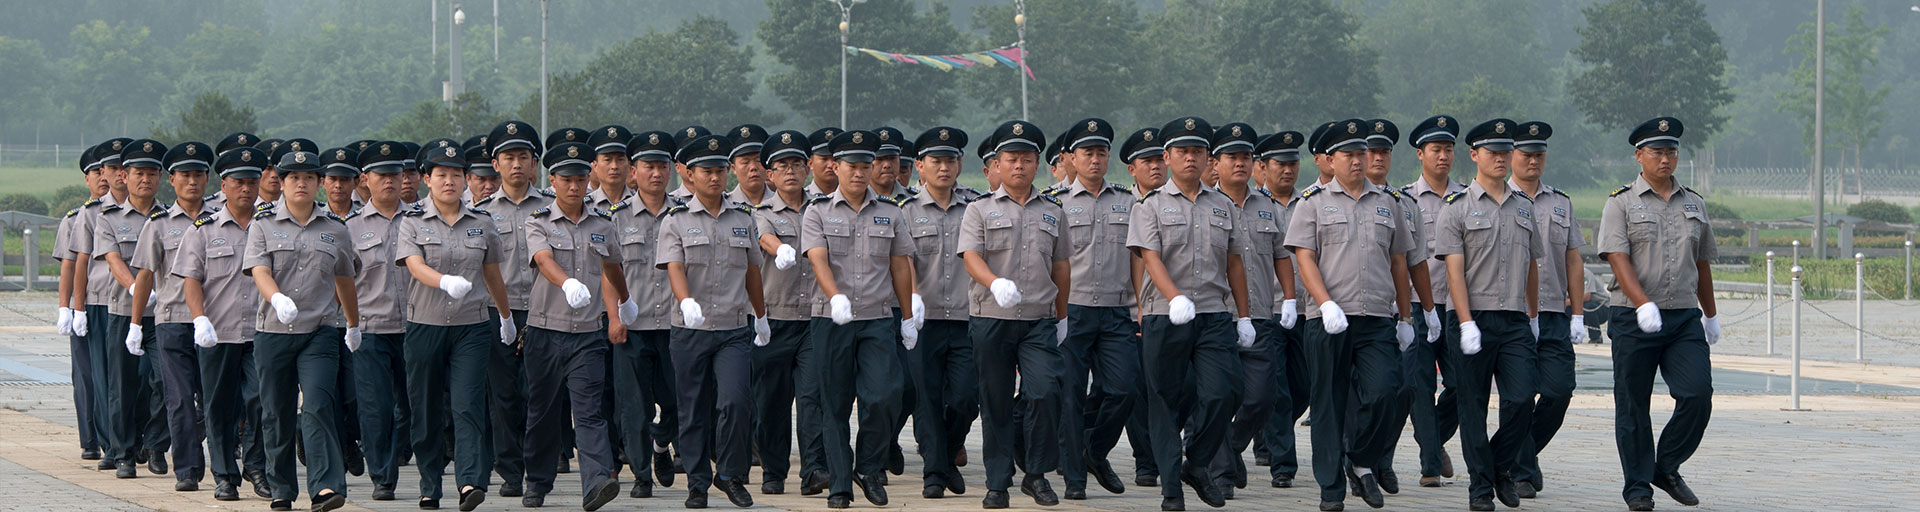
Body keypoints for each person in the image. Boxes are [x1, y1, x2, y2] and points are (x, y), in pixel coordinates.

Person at [1284, 120, 1415, 511]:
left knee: (1387, 393)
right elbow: (1304, 259)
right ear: (1330, 160)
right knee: (1328, 403)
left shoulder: (1388, 202)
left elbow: (1399, 262)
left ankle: (1360, 460)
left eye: (1362, 153)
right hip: (1328, 319)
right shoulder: (1312, 203)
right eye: (1349, 155)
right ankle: (1331, 489)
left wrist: (1406, 317)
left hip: (1376, 318)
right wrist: (1324, 303)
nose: (1358, 161)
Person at [1128, 117, 1256, 511]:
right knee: (1165, 401)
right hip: (1165, 315)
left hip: (1214, 313)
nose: (1190, 158)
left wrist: (1244, 316)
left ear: (1208, 159)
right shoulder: (1149, 206)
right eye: (1182, 151)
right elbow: (1150, 258)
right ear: (1167, 157)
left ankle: (1196, 463)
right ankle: (1171, 489)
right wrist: (1174, 298)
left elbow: (1235, 263)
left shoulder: (1223, 205)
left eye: (1198, 151)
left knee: (1226, 391)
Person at [1599, 117, 1717, 512]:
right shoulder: (1621, 203)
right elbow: (1617, 258)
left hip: (1682, 317)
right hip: (1633, 317)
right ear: (1639, 155)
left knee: (1698, 394)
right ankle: (1638, 487)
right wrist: (1642, 302)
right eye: (1657, 152)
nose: (1665, 159)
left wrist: (1711, 315)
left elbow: (1702, 262)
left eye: (1671, 152)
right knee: (1633, 403)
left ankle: (1664, 466)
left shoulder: (1694, 203)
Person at [956, 121, 1071, 509]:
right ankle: (997, 482)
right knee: (996, 401)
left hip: (1039, 318)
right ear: (997, 165)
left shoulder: (1053, 210)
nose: (1019, 165)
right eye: (1011, 159)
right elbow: (971, 257)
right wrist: (994, 283)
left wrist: (1062, 316)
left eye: (1026, 159)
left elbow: (1061, 266)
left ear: (1037, 164)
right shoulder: (979, 209)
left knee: (1045, 391)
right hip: (991, 316)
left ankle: (1036, 473)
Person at [799, 129, 916, 509]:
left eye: (865, 166)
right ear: (835, 167)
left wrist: (908, 316)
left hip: (877, 318)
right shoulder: (817, 211)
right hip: (832, 319)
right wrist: (835, 297)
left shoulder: (890, 212)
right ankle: (839, 486)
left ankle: (866, 466)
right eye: (851, 166)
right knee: (834, 404)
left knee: (886, 394)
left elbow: (900, 266)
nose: (859, 173)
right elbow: (818, 259)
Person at [396, 144, 516, 510]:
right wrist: (444, 281)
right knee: (426, 409)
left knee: (467, 405)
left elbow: (492, 273)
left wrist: (506, 317)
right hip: (425, 325)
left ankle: (469, 481)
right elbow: (414, 265)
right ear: (427, 179)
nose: (449, 181)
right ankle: (430, 483)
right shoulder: (412, 220)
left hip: (471, 327)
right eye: (441, 175)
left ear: (465, 180)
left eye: (456, 175)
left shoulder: (483, 222)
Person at [1434, 118, 1544, 511]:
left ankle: (1499, 466)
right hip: (1472, 318)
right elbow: (1454, 272)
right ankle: (1480, 487)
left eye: (1505, 151)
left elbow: (1532, 266)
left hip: (1514, 319)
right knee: (1473, 406)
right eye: (1492, 152)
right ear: (1474, 155)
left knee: (1522, 399)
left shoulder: (1525, 207)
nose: (1500, 158)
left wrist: (1533, 316)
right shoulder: (1456, 208)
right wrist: (1465, 322)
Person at [244, 148, 362, 512]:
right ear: (281, 182)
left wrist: (353, 324)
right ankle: (281, 488)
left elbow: (345, 278)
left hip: (319, 331)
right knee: (276, 412)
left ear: (319, 183)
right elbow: (260, 270)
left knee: (318, 405)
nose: (301, 183)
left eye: (309, 177)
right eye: (294, 177)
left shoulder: (335, 229)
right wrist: (277, 298)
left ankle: (326, 487)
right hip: (273, 331)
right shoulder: (262, 225)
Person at [654, 134, 769, 508]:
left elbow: (753, 271)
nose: (716, 177)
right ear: (690, 174)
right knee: (693, 409)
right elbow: (674, 266)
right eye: (707, 171)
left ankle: (730, 474)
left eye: (721, 170)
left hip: (733, 328)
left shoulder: (743, 218)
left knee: (736, 402)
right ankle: (697, 482)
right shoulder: (676, 220)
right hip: (690, 329)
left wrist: (761, 316)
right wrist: (685, 300)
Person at [519, 141, 630, 511]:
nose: (574, 186)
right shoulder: (538, 221)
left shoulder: (603, 224)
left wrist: (624, 302)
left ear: (588, 179)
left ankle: (597, 481)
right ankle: (537, 481)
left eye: (581, 179)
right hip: (544, 331)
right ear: (552, 180)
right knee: (543, 411)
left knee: (589, 411)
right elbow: (543, 259)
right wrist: (566, 283)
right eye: (566, 179)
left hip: (587, 334)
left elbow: (613, 267)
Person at [1204, 122, 1296, 498]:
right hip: (1216, 316)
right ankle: (1221, 474)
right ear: (1216, 163)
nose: (1240, 163)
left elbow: (1281, 255)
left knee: (1262, 397)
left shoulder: (1267, 207)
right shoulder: (1204, 204)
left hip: (1259, 315)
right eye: (1232, 157)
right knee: (1219, 396)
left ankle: (1228, 445)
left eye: (1245, 156)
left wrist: (1289, 298)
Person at [1048, 118, 1138, 501]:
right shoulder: (1055, 203)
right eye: (1088, 153)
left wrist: (1139, 306)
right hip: (1072, 311)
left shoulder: (1128, 202)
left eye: (1102, 152)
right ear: (1071, 158)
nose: (1096, 159)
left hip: (1116, 311)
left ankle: (1094, 451)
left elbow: (1138, 259)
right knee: (1070, 396)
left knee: (1125, 390)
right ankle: (1074, 478)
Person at [176, 147, 268, 501]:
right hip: (219, 332)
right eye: (239, 182)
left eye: (252, 182)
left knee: (261, 400)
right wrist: (199, 318)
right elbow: (191, 279)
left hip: (262, 332)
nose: (246, 189)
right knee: (218, 406)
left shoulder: (270, 226)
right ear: (224, 185)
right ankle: (225, 475)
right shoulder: (203, 230)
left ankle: (256, 466)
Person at [126, 141, 216, 492]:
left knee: (215, 399)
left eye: (198, 175)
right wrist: (136, 324)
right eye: (185, 175)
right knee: (178, 399)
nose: (192, 182)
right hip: (173, 320)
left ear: (207, 179)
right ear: (172, 180)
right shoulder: (159, 224)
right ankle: (187, 469)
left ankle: (217, 459)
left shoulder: (219, 220)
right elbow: (145, 275)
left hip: (215, 322)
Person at [472, 120, 553, 498]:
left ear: (534, 163)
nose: (516, 164)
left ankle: (539, 467)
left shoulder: (552, 207)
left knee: (539, 393)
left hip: (544, 311)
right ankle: (509, 469)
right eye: (508, 158)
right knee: (503, 395)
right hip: (497, 312)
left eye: (523, 156)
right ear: (496, 164)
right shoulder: (481, 213)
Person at [1361, 119, 1441, 496]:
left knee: (1405, 389)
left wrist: (1428, 310)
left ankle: (1382, 457)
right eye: (1371, 151)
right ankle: (1360, 457)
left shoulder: (1405, 204)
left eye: (1384, 152)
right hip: (1359, 311)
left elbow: (1417, 261)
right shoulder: (1336, 199)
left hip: (1401, 312)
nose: (1378, 158)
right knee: (1367, 393)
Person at [1507, 121, 1586, 499]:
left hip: (1553, 309)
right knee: (1519, 395)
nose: (1534, 161)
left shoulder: (1560, 202)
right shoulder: (1496, 198)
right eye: (1526, 154)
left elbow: (1573, 258)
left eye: (1539, 154)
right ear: (1511, 156)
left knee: (1559, 391)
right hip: (1511, 312)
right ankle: (1521, 469)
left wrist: (1579, 313)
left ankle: (1517, 454)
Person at [899, 126, 978, 500]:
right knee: (927, 398)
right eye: (936, 161)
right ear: (920, 166)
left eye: (950, 160)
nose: (944, 168)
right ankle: (934, 473)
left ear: (959, 164)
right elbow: (903, 259)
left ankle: (946, 457)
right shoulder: (905, 211)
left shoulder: (976, 207)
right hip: (924, 320)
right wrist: (913, 296)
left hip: (966, 317)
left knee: (966, 398)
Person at [746, 130, 827, 496]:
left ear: (807, 169)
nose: (790, 171)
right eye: (782, 166)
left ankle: (813, 470)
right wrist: (780, 248)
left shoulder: (822, 209)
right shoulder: (761, 213)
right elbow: (764, 237)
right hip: (773, 320)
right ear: (770, 175)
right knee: (771, 402)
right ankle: (774, 470)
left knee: (812, 397)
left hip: (813, 318)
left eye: (796, 164)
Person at [611, 128, 684, 494]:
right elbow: (608, 273)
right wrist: (614, 317)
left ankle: (660, 445)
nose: (656, 173)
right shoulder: (616, 217)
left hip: (675, 324)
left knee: (677, 402)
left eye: (662, 166)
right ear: (633, 171)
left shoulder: (684, 214)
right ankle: (641, 476)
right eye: (648, 166)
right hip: (633, 326)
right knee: (634, 408)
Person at [95, 139, 172, 480]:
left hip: (163, 315)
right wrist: (137, 289)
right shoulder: (109, 219)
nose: (145, 180)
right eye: (139, 173)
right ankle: (124, 453)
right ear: (125, 176)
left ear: (160, 178)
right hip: (123, 312)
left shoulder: (170, 218)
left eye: (152, 174)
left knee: (166, 381)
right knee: (122, 386)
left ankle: (154, 443)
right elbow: (114, 260)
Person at [338, 144, 411, 498]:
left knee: (416, 404)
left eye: (395, 174)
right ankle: (383, 475)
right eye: (381, 175)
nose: (390, 181)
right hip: (370, 328)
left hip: (416, 325)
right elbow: (340, 279)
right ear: (365, 179)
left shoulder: (420, 220)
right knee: (376, 406)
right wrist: (349, 323)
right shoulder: (349, 227)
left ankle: (412, 458)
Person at [1401, 115, 1464, 487]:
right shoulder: (1404, 199)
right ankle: (1430, 465)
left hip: (1457, 306)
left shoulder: (1467, 197)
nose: (1443, 156)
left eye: (1448, 149)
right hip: (1416, 306)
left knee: (1461, 384)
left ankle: (1433, 437)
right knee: (1420, 385)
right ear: (1420, 154)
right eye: (1436, 149)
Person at [1250, 130, 1312, 489]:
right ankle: (1283, 464)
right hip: (1268, 309)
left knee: (1304, 386)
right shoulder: (1254, 205)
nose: (1288, 170)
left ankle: (1268, 433)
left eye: (1293, 163)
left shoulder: (1310, 203)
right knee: (1277, 389)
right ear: (1263, 166)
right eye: (1280, 164)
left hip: (1306, 310)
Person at [55, 142, 113, 463]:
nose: (103, 178)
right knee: (87, 376)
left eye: (107, 171)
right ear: (87, 178)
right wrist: (66, 308)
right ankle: (90, 439)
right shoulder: (76, 219)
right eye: (95, 172)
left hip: (119, 304)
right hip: (86, 305)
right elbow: (69, 266)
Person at [1115, 127, 1164, 488]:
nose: (1156, 166)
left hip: (1175, 309)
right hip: (1131, 310)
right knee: (1137, 390)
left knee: (1185, 386)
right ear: (1132, 169)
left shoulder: (1177, 201)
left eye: (1160, 159)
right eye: (1147, 161)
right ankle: (1146, 460)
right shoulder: (1120, 203)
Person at [725, 124, 773, 207]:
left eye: (758, 160)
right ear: (734, 168)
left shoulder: (785, 203)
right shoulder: (724, 205)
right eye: (745, 162)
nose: (753, 167)